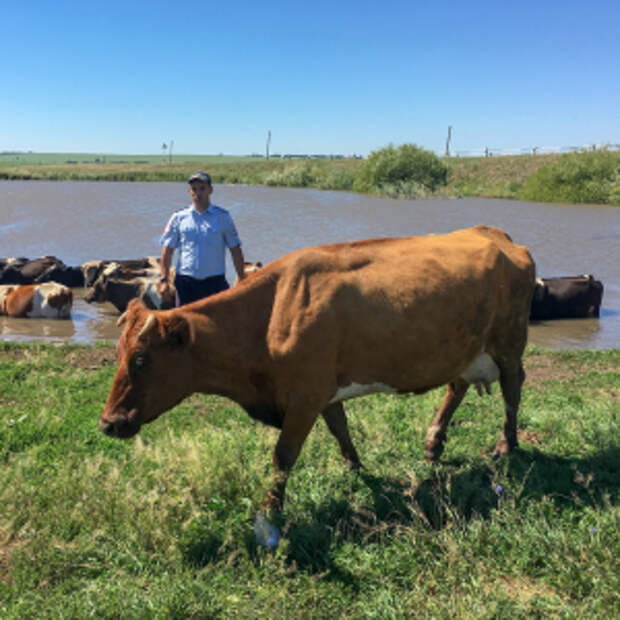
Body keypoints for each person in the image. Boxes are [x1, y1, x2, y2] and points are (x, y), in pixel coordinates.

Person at [158, 171, 246, 306]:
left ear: (210, 190)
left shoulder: (223, 217)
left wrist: (241, 278)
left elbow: (235, 249)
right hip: (186, 283)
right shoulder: (178, 218)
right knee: (185, 325)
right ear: (189, 191)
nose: (198, 193)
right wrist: (164, 280)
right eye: (194, 189)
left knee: (217, 325)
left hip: (214, 283)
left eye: (202, 188)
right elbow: (167, 251)